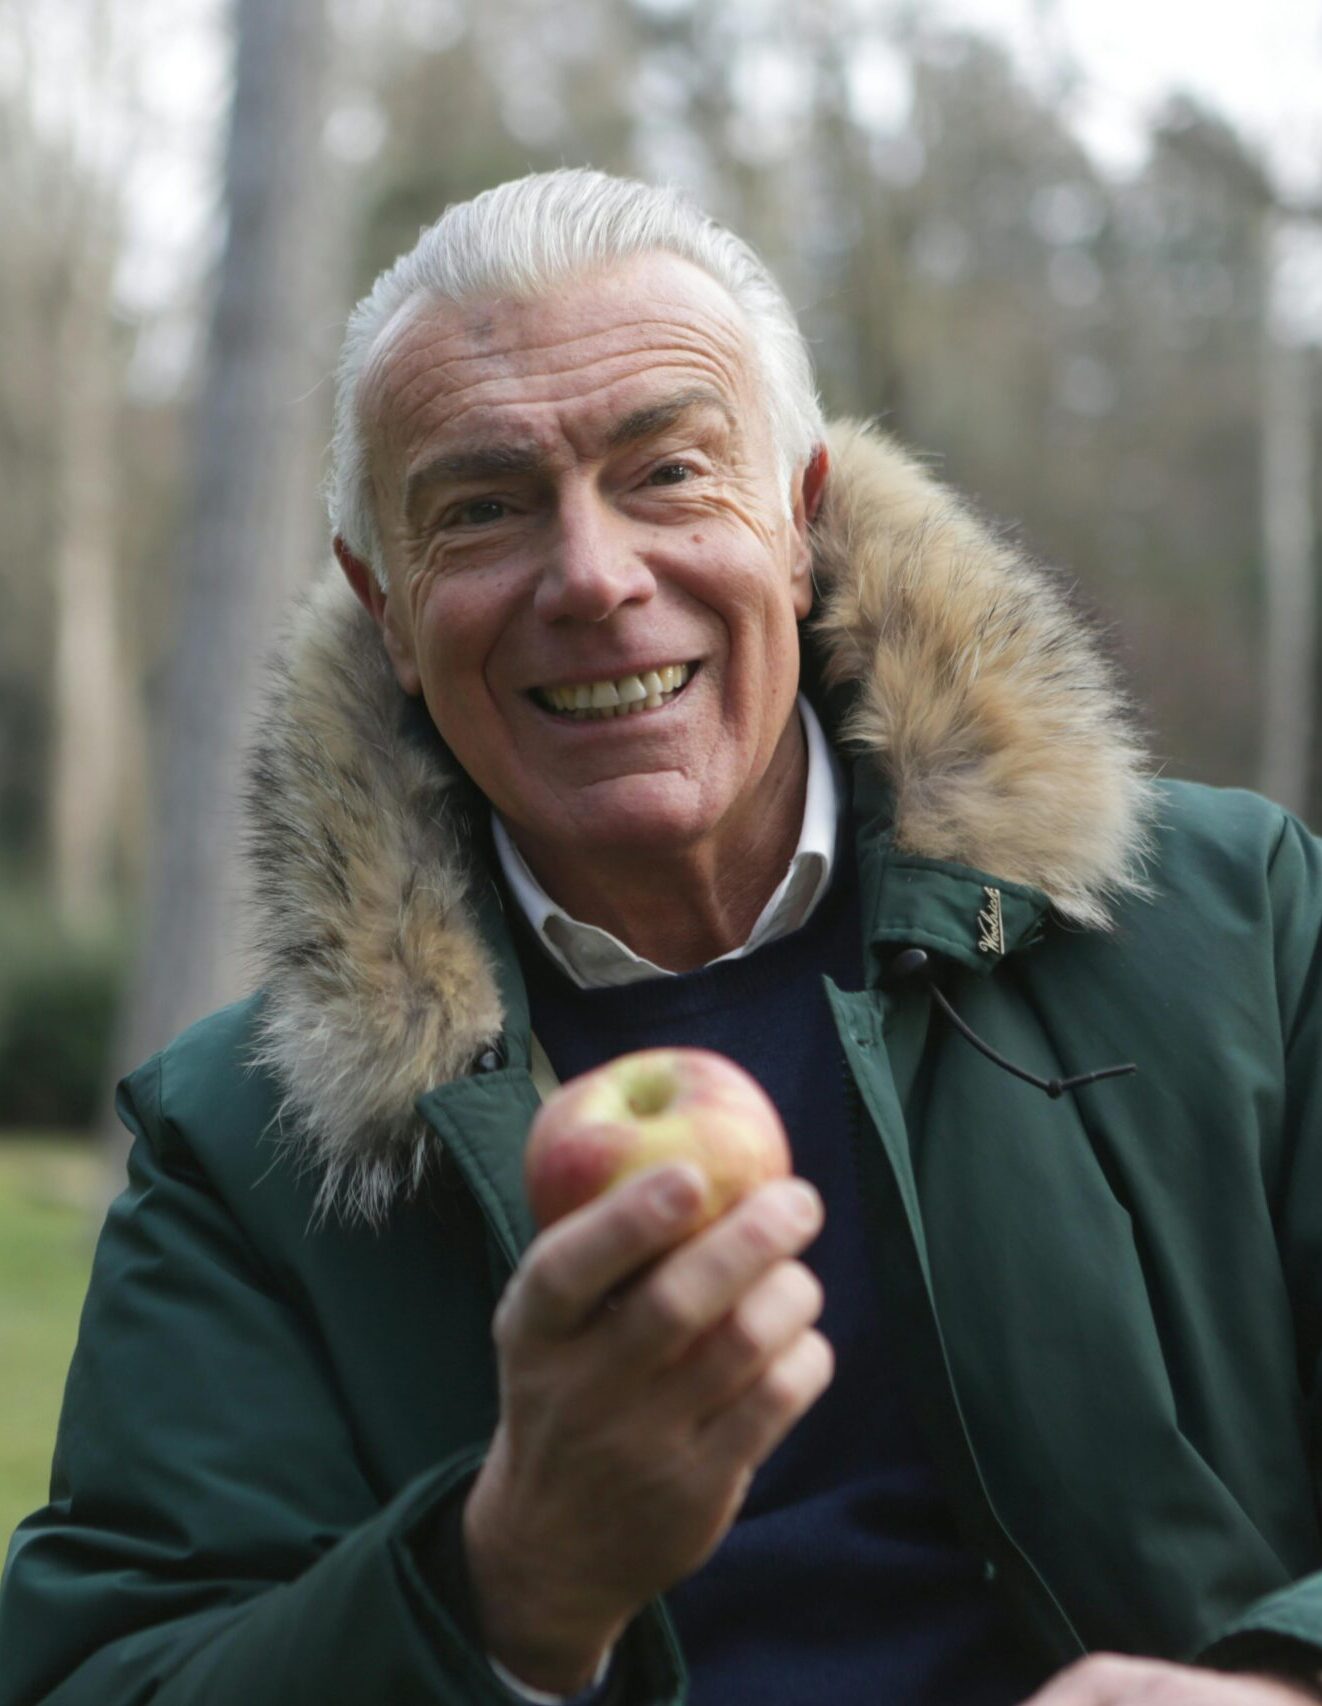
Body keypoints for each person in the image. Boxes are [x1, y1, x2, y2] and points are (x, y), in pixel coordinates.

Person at [3, 169, 1322, 1706]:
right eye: (480, 508)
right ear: (385, 610)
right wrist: (508, 1576)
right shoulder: (246, 1149)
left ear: (798, 520)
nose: (591, 575)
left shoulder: (1234, 926)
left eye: (668, 471)